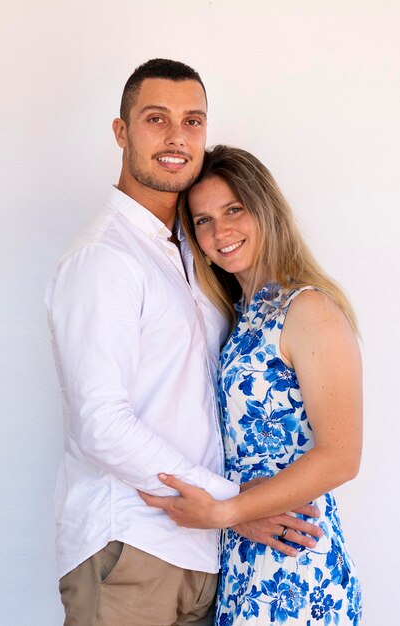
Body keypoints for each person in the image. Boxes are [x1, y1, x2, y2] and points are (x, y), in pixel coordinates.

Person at [45, 61, 322, 626]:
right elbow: (101, 422)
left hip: (203, 553)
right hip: (131, 548)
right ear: (122, 133)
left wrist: (226, 514)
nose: (177, 137)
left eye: (192, 120)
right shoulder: (107, 258)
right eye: (156, 119)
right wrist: (228, 504)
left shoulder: (192, 254)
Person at [141, 145, 363, 625]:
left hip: (297, 564)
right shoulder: (240, 318)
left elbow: (341, 457)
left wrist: (225, 512)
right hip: (244, 559)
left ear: (265, 209)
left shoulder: (308, 310)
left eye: (233, 210)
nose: (220, 232)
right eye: (202, 221)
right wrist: (234, 513)